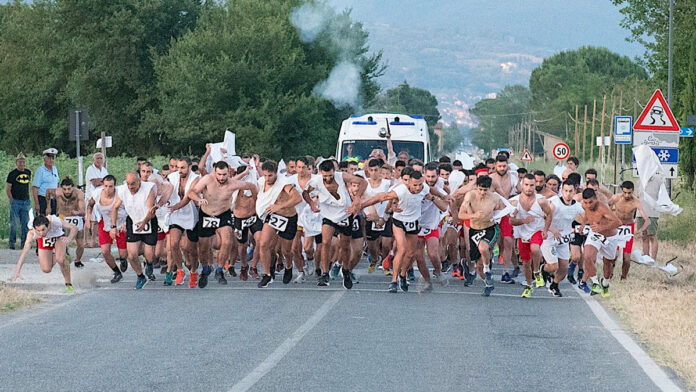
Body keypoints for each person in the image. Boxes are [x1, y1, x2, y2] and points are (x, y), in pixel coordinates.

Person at [362, 170, 443, 293]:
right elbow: (381, 197)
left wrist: (444, 197)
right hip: (399, 221)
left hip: (414, 222)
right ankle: (394, 281)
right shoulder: (400, 189)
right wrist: (361, 206)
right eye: (415, 185)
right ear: (408, 183)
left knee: (411, 253)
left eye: (420, 184)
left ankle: (403, 274)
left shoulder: (424, 188)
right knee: (402, 249)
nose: (418, 188)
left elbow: (433, 192)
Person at [188, 161, 255, 287]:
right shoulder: (207, 179)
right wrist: (199, 199)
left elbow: (252, 186)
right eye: (219, 174)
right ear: (214, 172)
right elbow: (191, 192)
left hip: (223, 214)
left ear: (228, 172)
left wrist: (256, 201)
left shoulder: (234, 183)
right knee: (203, 247)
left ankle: (219, 270)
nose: (221, 178)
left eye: (224, 175)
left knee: (228, 241)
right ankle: (205, 269)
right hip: (206, 214)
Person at [303, 159, 366, 288]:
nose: (328, 178)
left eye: (330, 176)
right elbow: (305, 193)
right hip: (328, 214)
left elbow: (363, 182)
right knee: (326, 242)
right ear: (320, 173)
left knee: (345, 245)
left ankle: (346, 270)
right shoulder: (315, 181)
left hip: (344, 213)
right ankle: (325, 273)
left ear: (334, 172)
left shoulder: (342, 176)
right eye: (325, 176)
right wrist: (311, 203)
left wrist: (357, 198)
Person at [256, 160, 302, 287]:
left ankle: (288, 266)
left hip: (288, 217)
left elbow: (298, 198)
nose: (267, 178)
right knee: (264, 244)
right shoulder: (261, 182)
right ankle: (267, 274)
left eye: (270, 175)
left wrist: (279, 206)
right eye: (265, 175)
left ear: (276, 173)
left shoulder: (285, 183)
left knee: (286, 250)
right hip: (273, 216)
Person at [458, 175, 507, 296]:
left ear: (489, 188)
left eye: (485, 190)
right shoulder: (470, 196)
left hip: (489, 228)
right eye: (480, 189)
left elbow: (504, 210)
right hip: (474, 229)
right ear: (476, 187)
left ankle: (487, 269)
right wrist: (473, 216)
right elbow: (460, 214)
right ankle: (488, 282)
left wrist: (498, 216)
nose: (482, 192)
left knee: (483, 247)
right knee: (478, 264)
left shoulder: (495, 198)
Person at [110, 172, 159, 290]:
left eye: (133, 184)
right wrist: (113, 227)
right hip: (132, 220)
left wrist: (144, 221)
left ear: (139, 182)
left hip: (148, 220)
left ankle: (150, 263)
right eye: (128, 184)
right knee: (131, 255)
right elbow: (115, 207)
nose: (130, 187)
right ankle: (140, 276)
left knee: (149, 254)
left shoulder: (149, 188)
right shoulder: (122, 190)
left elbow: (151, 210)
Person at [509, 173, 553, 298]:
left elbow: (549, 214)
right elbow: (511, 221)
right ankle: (529, 286)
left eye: (532, 185)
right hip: (522, 234)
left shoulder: (541, 201)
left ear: (536, 186)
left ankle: (537, 272)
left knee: (535, 248)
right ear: (522, 185)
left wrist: (545, 229)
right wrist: (523, 220)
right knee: (526, 263)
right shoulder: (514, 202)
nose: (529, 188)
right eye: (526, 185)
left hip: (537, 230)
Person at [10, 215, 78, 293]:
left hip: (58, 237)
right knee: (46, 269)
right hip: (44, 241)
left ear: (48, 225)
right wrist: (17, 270)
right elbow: (24, 252)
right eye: (38, 230)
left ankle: (68, 285)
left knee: (60, 260)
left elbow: (74, 228)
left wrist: (69, 238)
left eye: (43, 230)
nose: (41, 233)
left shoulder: (55, 221)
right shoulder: (32, 233)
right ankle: (59, 253)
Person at [540, 181, 584, 297]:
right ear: (562, 191)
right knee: (554, 266)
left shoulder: (577, 206)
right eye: (565, 191)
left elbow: (587, 216)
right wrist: (551, 229)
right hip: (549, 238)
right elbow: (544, 217)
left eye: (570, 191)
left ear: (575, 192)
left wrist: (584, 225)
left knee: (564, 269)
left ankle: (554, 285)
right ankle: (543, 270)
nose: (568, 194)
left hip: (563, 239)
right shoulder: (555, 203)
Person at [578, 188, 624, 298]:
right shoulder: (585, 205)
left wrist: (602, 227)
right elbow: (587, 215)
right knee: (587, 256)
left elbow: (618, 222)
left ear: (596, 199)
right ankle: (595, 283)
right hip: (595, 235)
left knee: (607, 265)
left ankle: (605, 283)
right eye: (586, 202)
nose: (588, 205)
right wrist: (583, 224)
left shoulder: (602, 208)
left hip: (610, 238)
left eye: (591, 202)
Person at [164, 157, 201, 287]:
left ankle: (194, 272)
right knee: (173, 244)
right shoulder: (172, 177)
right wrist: (160, 203)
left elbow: (188, 196)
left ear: (189, 167)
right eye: (178, 167)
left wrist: (176, 206)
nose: (179, 170)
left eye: (182, 168)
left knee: (192, 249)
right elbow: (166, 191)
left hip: (190, 215)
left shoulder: (196, 178)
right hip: (176, 214)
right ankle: (180, 270)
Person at [86, 175, 129, 283]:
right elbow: (90, 205)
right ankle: (116, 272)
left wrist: (127, 223)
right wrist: (88, 218)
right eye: (105, 186)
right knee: (105, 251)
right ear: (102, 185)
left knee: (123, 254)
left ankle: (123, 260)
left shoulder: (121, 193)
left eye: (111, 186)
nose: (108, 189)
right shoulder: (97, 193)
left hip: (120, 223)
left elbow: (130, 207)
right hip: (105, 223)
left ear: (115, 186)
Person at [608, 181, 649, 280]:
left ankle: (623, 277)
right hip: (617, 226)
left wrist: (639, 231)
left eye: (629, 193)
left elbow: (647, 220)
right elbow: (606, 208)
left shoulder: (636, 201)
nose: (627, 195)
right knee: (614, 255)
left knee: (626, 259)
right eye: (625, 192)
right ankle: (609, 274)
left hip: (628, 228)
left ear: (633, 191)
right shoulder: (615, 198)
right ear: (622, 190)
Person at [489, 154, 520, 282]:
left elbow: (521, 192)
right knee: (491, 243)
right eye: (499, 166)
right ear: (495, 166)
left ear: (507, 165)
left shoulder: (513, 178)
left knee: (508, 241)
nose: (502, 168)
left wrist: (515, 203)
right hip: (492, 214)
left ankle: (505, 272)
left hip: (506, 213)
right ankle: (487, 266)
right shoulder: (490, 178)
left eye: (504, 166)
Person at [46, 177, 86, 268]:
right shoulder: (57, 192)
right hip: (62, 217)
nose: (67, 191)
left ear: (73, 187)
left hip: (75, 218)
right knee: (61, 240)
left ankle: (78, 260)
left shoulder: (78, 194)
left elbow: (83, 211)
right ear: (61, 188)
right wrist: (48, 206)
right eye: (64, 189)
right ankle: (62, 255)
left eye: (69, 189)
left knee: (80, 244)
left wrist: (78, 212)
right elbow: (48, 192)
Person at [6, 152, 32, 250]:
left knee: (25, 224)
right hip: (15, 201)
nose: (21, 164)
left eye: (23, 162)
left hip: (25, 201)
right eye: (19, 162)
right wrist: (11, 200)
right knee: (14, 223)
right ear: (16, 162)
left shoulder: (28, 172)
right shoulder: (12, 174)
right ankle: (12, 242)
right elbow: (8, 188)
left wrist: (28, 198)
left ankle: (24, 243)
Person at [85, 152, 108, 247]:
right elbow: (95, 182)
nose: (99, 160)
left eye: (101, 158)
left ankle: (93, 241)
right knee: (89, 219)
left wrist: (101, 180)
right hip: (91, 197)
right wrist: (103, 181)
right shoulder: (90, 169)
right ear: (94, 159)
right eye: (97, 158)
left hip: (100, 197)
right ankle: (85, 241)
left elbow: (107, 181)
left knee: (97, 221)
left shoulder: (104, 170)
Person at [32, 148, 59, 215]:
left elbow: (58, 183)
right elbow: (35, 188)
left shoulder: (55, 169)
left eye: (52, 158)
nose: (51, 160)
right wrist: (37, 204)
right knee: (43, 221)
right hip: (43, 199)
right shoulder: (40, 171)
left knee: (54, 220)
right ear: (44, 159)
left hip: (53, 199)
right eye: (48, 158)